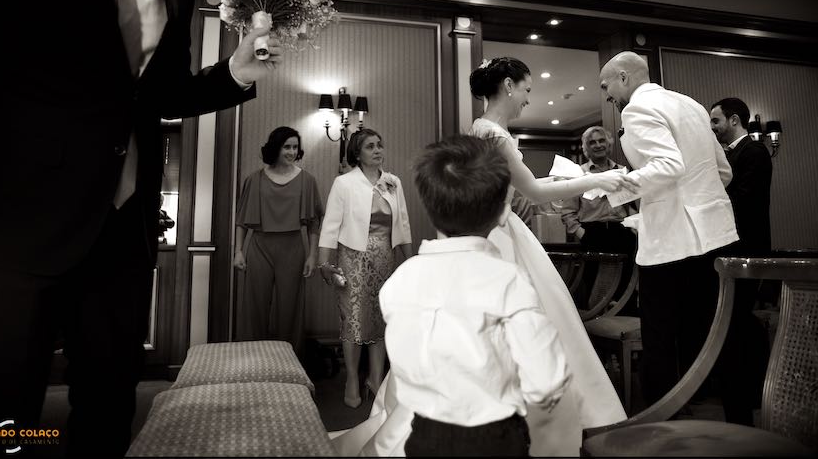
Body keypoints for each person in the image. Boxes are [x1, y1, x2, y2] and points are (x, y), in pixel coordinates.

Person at [0, 0, 282, 455]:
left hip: (124, 237)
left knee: (107, 411)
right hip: (12, 233)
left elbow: (163, 96)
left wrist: (236, 71)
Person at [333, 57, 633, 456]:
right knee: (516, 317)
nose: (528, 99)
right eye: (526, 89)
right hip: (499, 232)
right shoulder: (494, 134)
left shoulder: (484, 129)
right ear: (508, 85)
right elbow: (533, 193)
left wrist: (563, 179)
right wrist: (596, 179)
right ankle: (524, 414)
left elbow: (523, 185)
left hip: (496, 226)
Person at [381, 134, 570, 457]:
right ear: (503, 215)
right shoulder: (508, 279)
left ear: (430, 209)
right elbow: (546, 378)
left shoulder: (401, 279)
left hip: (424, 433)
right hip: (494, 436)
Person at [600, 51, 738, 407]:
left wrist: (615, 188)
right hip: (713, 235)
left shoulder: (637, 109)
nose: (607, 95)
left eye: (606, 85)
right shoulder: (691, 105)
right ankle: (707, 408)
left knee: (659, 335)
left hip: (670, 242)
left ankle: (661, 419)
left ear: (624, 77)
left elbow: (668, 166)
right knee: (702, 330)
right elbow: (723, 172)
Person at [318, 128, 413, 409]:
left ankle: (375, 379)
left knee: (381, 320)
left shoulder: (393, 182)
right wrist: (324, 263)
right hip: (352, 260)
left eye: (379, 145)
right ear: (357, 154)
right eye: (370, 146)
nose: (378, 150)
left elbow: (403, 223)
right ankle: (351, 379)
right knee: (354, 321)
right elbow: (330, 226)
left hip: (385, 259)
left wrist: (411, 262)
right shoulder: (344, 183)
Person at [709, 97, 773, 424]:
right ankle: (741, 396)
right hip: (730, 250)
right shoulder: (726, 154)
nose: (712, 127)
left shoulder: (755, 152)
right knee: (733, 323)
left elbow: (745, 201)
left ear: (734, 120)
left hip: (748, 250)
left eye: (715, 121)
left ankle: (750, 396)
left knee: (738, 322)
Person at [233, 126, 323, 355]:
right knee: (254, 305)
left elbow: (314, 223)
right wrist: (238, 251)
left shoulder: (307, 180)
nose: (292, 152)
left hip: (293, 247)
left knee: (290, 307)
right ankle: (251, 359)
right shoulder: (254, 179)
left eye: (295, 147)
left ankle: (289, 361)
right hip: (259, 246)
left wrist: (312, 256)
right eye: (287, 147)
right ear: (275, 148)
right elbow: (242, 220)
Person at [559, 126, 638, 311]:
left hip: (621, 233)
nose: (598, 145)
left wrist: (634, 228)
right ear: (586, 148)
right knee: (595, 287)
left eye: (601, 140)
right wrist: (583, 235)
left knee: (625, 286)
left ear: (608, 144)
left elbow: (632, 206)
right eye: (592, 142)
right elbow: (567, 212)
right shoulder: (578, 174)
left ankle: (626, 324)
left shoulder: (622, 171)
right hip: (592, 234)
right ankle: (596, 326)